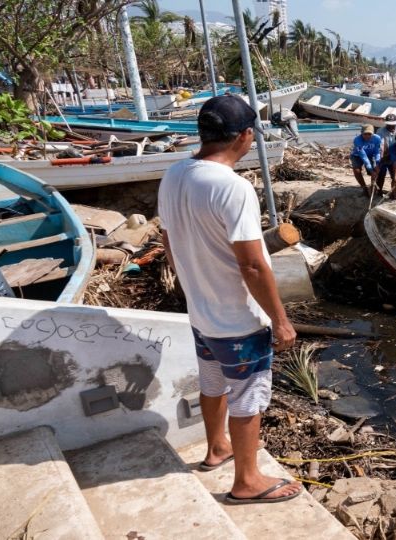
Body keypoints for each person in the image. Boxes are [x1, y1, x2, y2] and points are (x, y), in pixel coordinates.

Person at [157, 95, 302, 505]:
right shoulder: (233, 188)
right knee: (248, 395)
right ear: (246, 136)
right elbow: (254, 266)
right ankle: (247, 480)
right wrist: (281, 320)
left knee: (213, 383)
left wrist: (192, 281)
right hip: (238, 319)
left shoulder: (174, 174)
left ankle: (216, 447)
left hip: (202, 314)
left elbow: (169, 239)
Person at [350, 125, 382, 197]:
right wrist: (370, 170)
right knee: (357, 170)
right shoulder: (357, 140)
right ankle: (364, 188)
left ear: (373, 134)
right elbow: (363, 156)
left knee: (375, 170)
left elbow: (377, 152)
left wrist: (377, 163)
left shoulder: (377, 138)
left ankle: (373, 187)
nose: (367, 136)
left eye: (369, 134)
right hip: (357, 155)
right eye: (365, 134)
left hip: (370, 155)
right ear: (361, 133)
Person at [376, 114, 396, 194]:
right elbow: (380, 146)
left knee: (395, 176)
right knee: (381, 174)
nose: (390, 126)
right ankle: (379, 190)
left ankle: (393, 193)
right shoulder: (380, 131)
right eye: (388, 124)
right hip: (383, 157)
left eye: (392, 124)